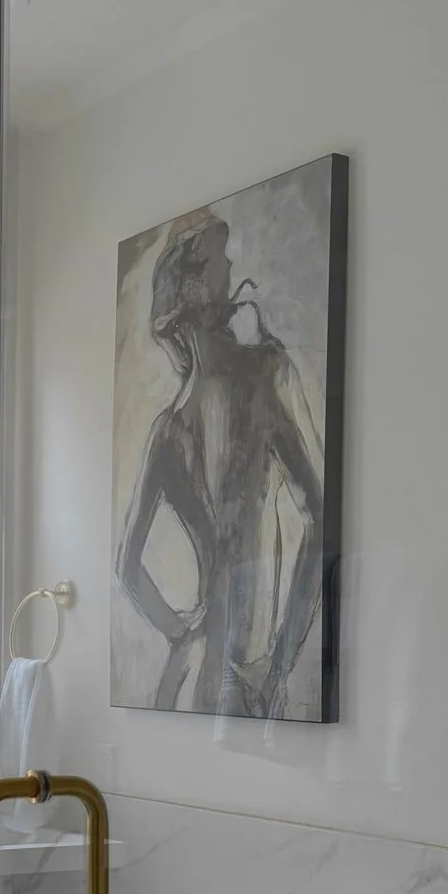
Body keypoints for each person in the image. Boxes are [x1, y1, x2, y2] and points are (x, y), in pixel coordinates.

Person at [114, 208, 324, 719]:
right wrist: (277, 665)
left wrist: (182, 633)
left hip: (195, 667)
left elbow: (127, 565)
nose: (232, 271)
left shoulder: (170, 427)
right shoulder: (259, 383)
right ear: (196, 290)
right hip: (243, 667)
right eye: (220, 262)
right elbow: (320, 519)